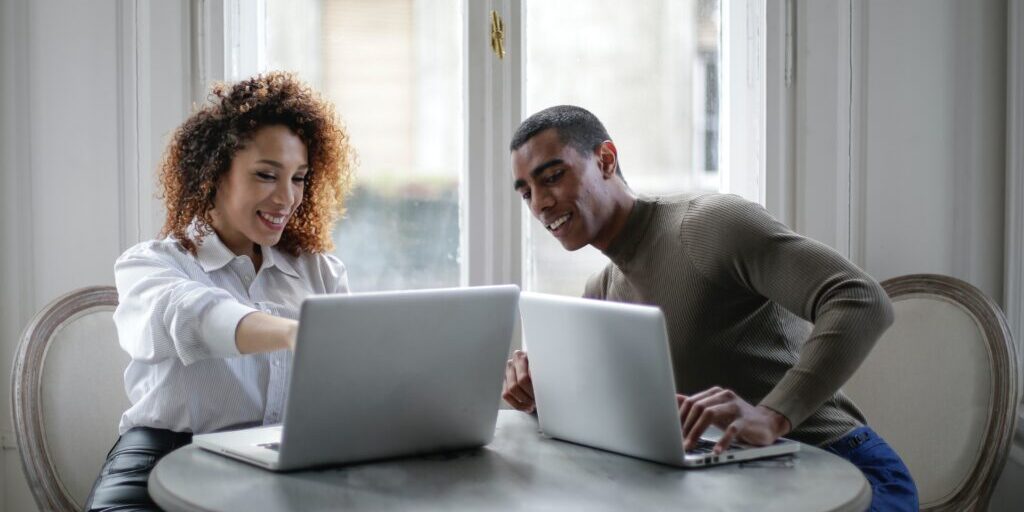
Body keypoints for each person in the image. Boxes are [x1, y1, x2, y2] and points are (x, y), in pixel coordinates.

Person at [502, 105, 918, 511]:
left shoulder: (707, 226)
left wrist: (773, 416)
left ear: (606, 160)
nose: (540, 203)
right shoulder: (603, 291)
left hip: (841, 468)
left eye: (552, 177)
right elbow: (610, 419)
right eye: (526, 193)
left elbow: (861, 299)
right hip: (736, 481)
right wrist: (540, 394)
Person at [84, 72, 355, 512]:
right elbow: (194, 314)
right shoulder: (151, 264)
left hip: (280, 468)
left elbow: (352, 384)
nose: (287, 198)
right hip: (159, 463)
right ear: (214, 174)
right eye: (267, 175)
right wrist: (293, 332)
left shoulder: (319, 273)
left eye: (300, 178)